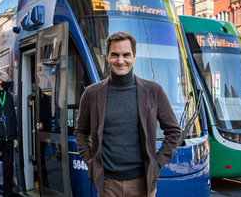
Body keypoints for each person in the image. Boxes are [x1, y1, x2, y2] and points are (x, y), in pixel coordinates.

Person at [74, 32, 182, 197]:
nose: (120, 60)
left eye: (126, 55)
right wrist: (90, 161)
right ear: (107, 57)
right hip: (107, 184)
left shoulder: (153, 91)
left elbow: (174, 132)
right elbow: (81, 131)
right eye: (115, 55)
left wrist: (157, 163)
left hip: (143, 183)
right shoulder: (92, 93)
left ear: (134, 56)